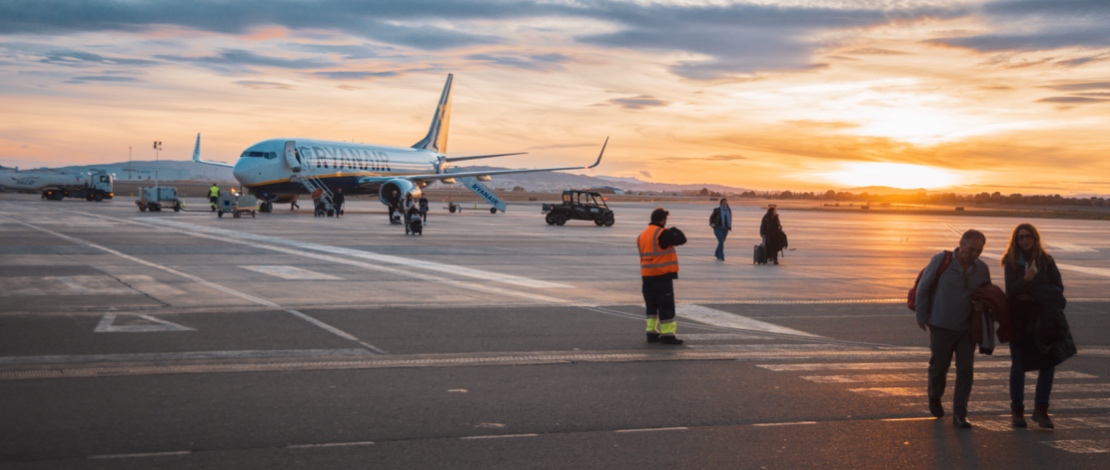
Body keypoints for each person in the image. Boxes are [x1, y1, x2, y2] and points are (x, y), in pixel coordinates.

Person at [915, 229, 991, 428]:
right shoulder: (942, 260)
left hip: (966, 329)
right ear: (961, 244)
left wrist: (983, 305)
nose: (974, 254)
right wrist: (922, 315)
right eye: (972, 249)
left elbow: (986, 294)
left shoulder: (982, 269)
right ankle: (935, 396)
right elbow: (923, 287)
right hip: (941, 325)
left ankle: (960, 413)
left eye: (979, 251)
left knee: (966, 370)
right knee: (939, 368)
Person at [1002, 223, 1065, 429]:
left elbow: (1058, 286)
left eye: (1029, 236)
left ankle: (1041, 409)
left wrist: (1035, 290)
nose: (1025, 240)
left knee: (1048, 363)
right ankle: (1017, 410)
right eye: (1021, 237)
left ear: (1035, 238)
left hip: (1044, 319)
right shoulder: (1011, 262)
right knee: (1018, 365)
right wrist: (1027, 279)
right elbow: (1010, 291)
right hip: (1020, 320)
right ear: (1016, 240)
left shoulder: (1046, 260)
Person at [637, 207, 687, 345]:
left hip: (646, 276)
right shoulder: (662, 233)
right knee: (666, 306)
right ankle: (667, 335)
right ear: (662, 220)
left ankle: (651, 333)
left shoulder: (642, 235)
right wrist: (674, 230)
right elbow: (682, 239)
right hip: (661, 276)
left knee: (651, 306)